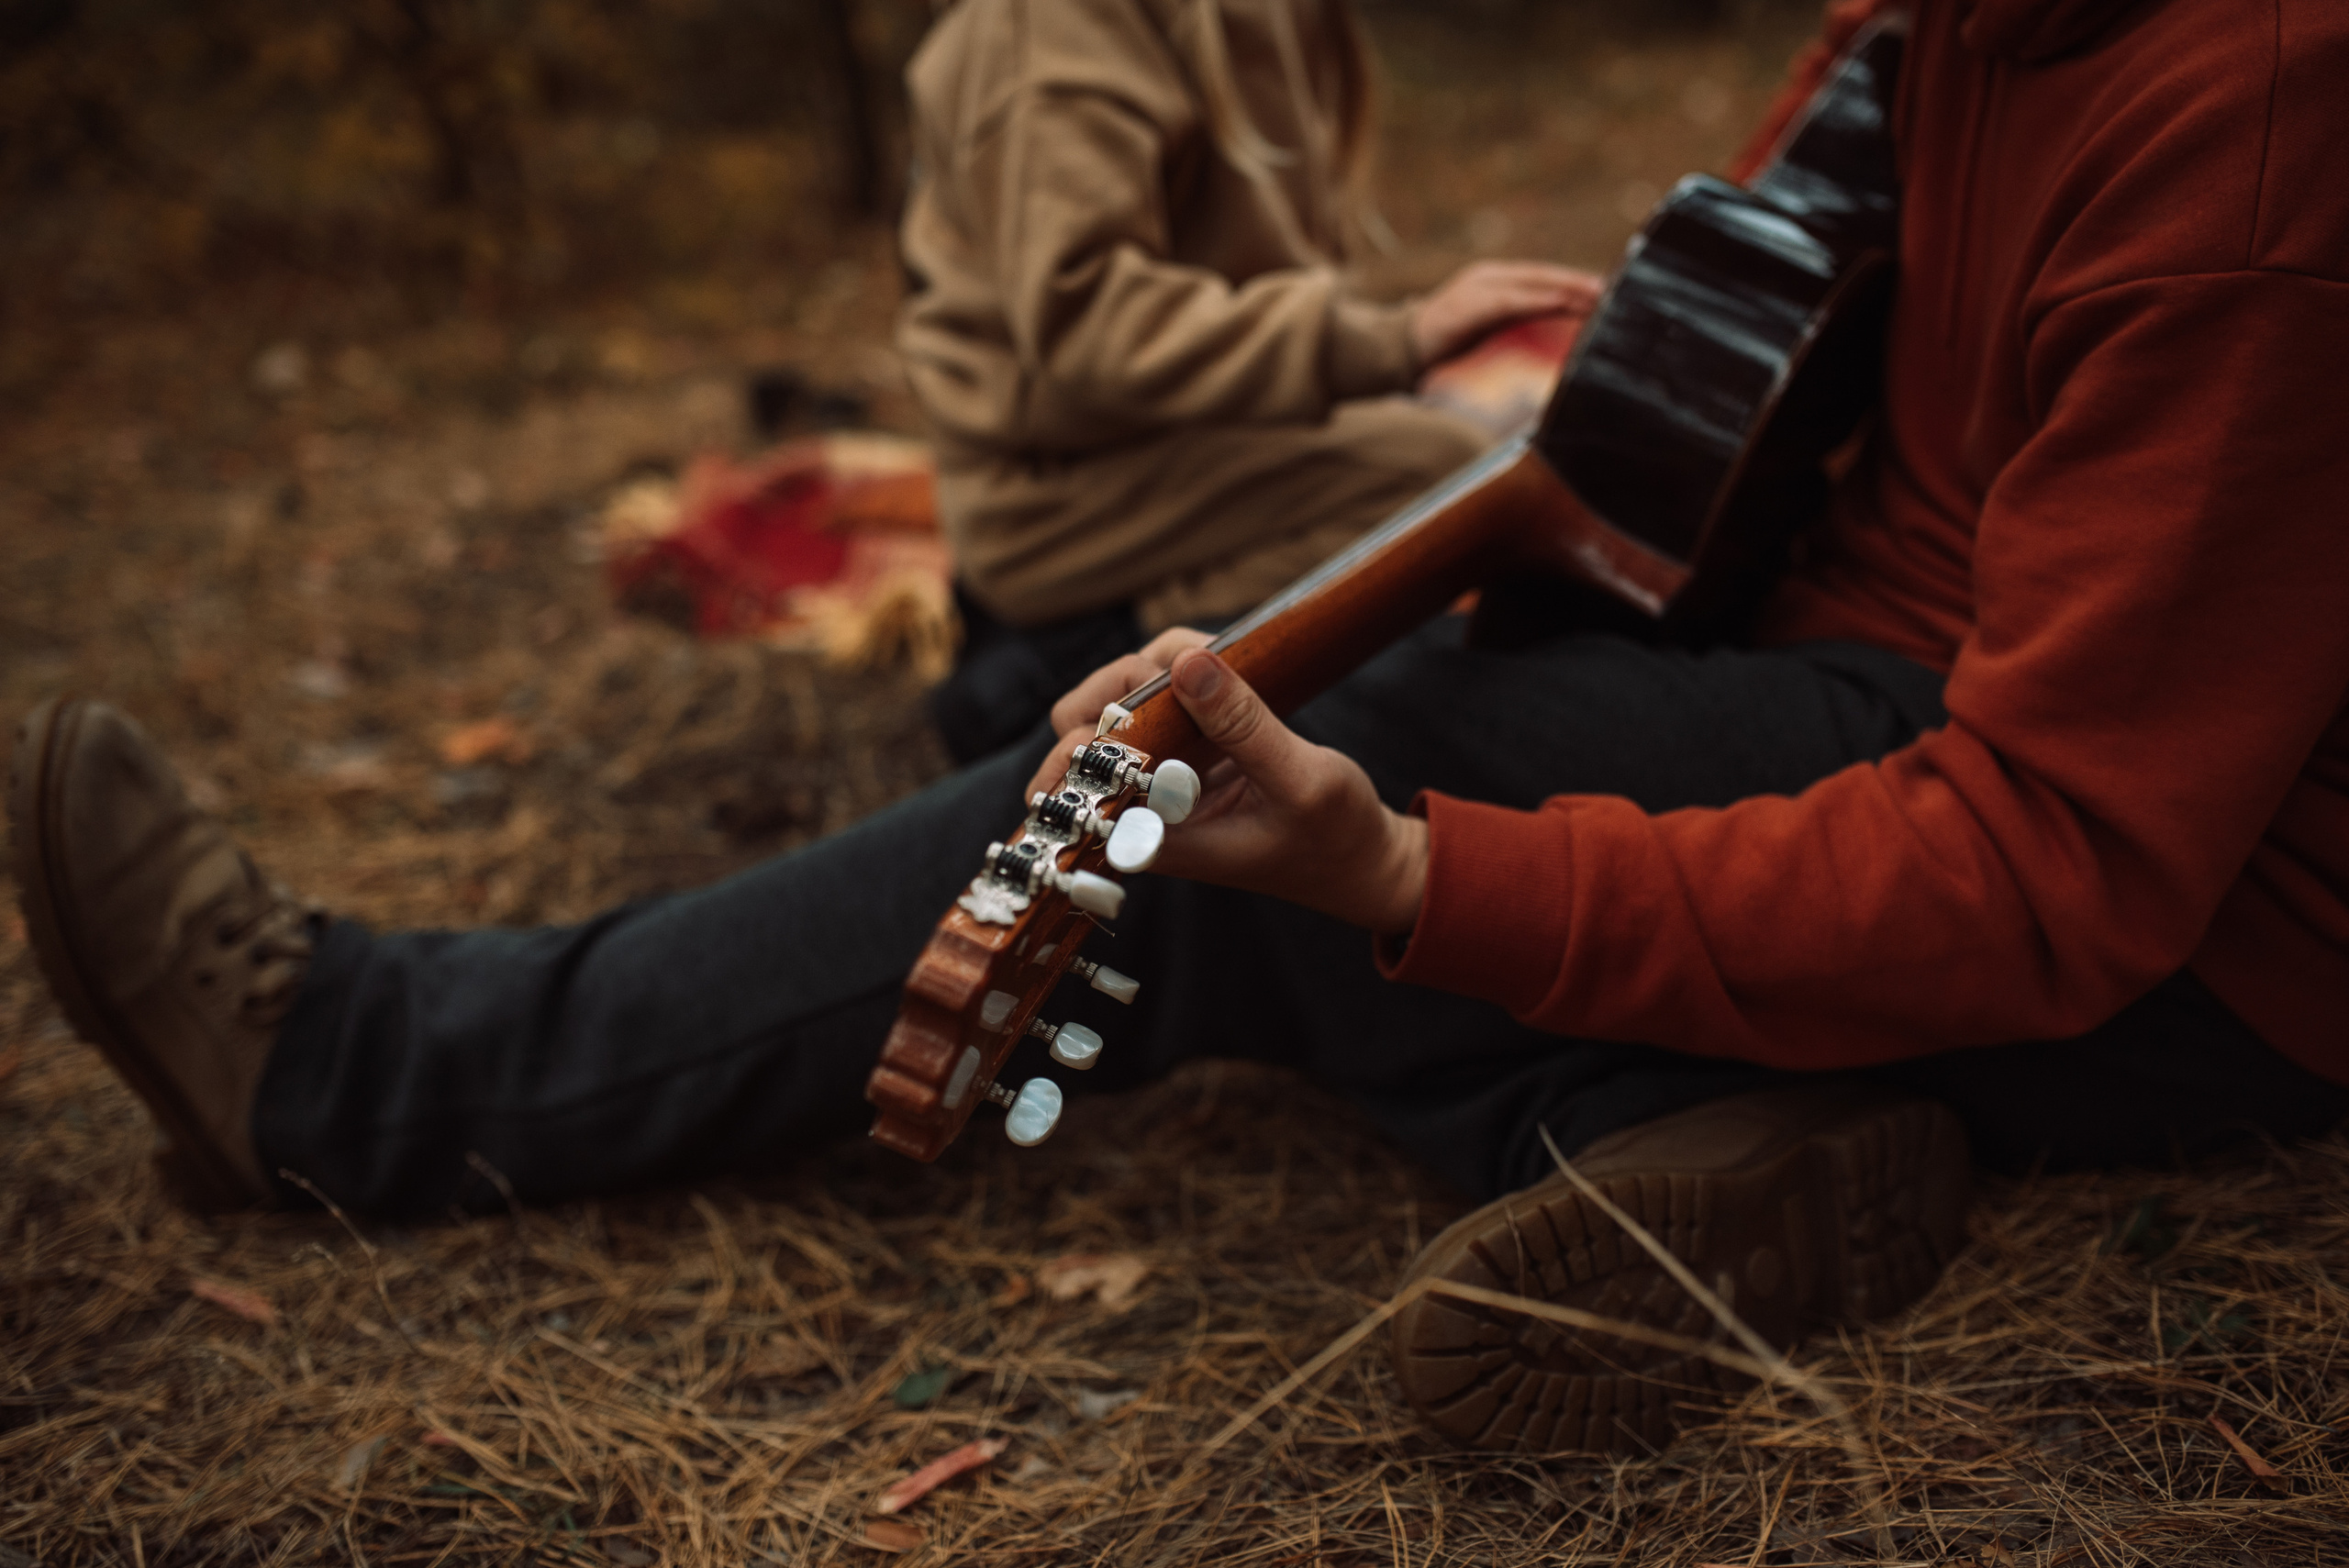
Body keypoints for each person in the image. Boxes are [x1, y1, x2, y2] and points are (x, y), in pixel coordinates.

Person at [13, 0, 2349, 1456]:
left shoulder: (2258, 141)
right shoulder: (1951, 29)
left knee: (1254, 849)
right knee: (1296, 731)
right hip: (1874, 694)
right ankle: (1661, 1111)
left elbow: (2056, 858)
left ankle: (361, 1067)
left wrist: (1422, 863)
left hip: (2190, 947)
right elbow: (1724, 407)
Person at [897, 0, 1598, 760]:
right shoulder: (1052, 25)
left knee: (1478, 460)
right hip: (1059, 493)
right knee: (1441, 479)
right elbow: (1087, 323)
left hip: (1181, 428)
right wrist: (1394, 339)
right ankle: (1061, 667)